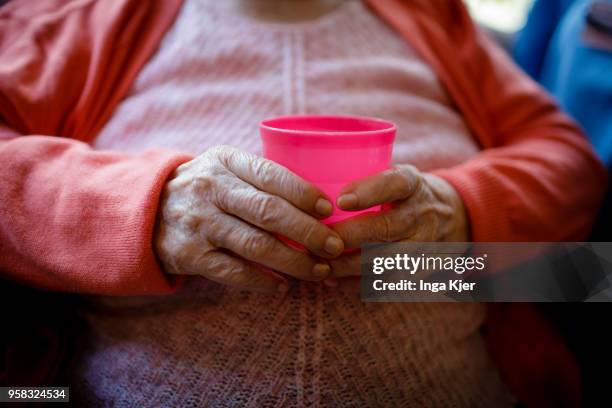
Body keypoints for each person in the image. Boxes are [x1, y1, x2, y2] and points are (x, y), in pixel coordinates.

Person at [0, 0, 605, 406]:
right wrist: (144, 209)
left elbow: (570, 161)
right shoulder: (76, 20)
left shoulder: (435, 18)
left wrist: (462, 213)